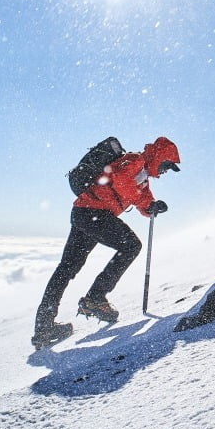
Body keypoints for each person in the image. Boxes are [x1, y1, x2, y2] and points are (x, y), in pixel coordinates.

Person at [32, 136, 181, 349]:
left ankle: (44, 327)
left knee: (67, 268)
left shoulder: (143, 178)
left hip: (86, 212)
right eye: (167, 164)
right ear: (159, 157)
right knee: (131, 246)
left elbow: (143, 202)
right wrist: (143, 200)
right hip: (93, 213)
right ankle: (95, 298)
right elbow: (120, 179)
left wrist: (153, 208)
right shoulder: (134, 160)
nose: (166, 170)